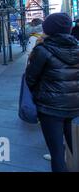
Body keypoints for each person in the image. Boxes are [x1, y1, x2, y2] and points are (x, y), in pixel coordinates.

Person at [25, 13, 79, 172]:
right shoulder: (77, 48)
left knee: (56, 153)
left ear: (48, 29)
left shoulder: (42, 50)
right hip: (75, 107)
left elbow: (30, 78)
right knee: (75, 149)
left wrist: (39, 95)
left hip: (49, 108)